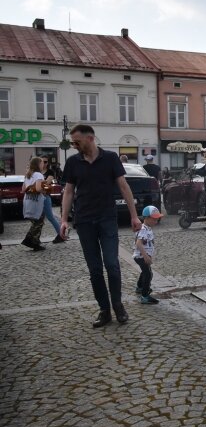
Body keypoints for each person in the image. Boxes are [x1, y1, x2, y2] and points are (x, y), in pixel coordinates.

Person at [59, 124, 141, 328]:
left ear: (90, 139)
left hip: (107, 219)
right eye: (73, 142)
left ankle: (118, 305)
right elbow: (68, 192)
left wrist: (134, 216)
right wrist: (63, 220)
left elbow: (123, 186)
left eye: (77, 142)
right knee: (94, 269)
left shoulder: (111, 158)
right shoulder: (72, 162)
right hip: (84, 221)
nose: (74, 145)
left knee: (112, 264)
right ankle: (104, 310)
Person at [134, 205, 163, 304]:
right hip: (141, 256)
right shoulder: (143, 229)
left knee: (144, 271)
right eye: (154, 219)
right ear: (146, 218)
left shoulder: (148, 227)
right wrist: (146, 256)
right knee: (148, 274)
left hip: (143, 256)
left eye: (157, 219)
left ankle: (140, 287)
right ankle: (145, 295)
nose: (156, 221)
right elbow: (138, 243)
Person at [21, 157, 46, 251]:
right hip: (36, 201)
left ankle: (35, 241)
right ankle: (30, 241)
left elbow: (23, 189)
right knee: (39, 221)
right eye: (42, 163)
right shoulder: (39, 175)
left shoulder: (28, 175)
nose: (43, 165)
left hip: (28, 200)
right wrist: (45, 190)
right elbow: (39, 189)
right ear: (38, 164)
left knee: (35, 221)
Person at [40, 157, 64, 244]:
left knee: (50, 217)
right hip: (38, 197)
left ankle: (61, 234)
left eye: (45, 162)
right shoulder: (37, 172)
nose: (44, 163)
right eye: (42, 161)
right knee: (38, 219)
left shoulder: (50, 172)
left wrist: (38, 184)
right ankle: (34, 238)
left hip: (45, 196)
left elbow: (46, 183)